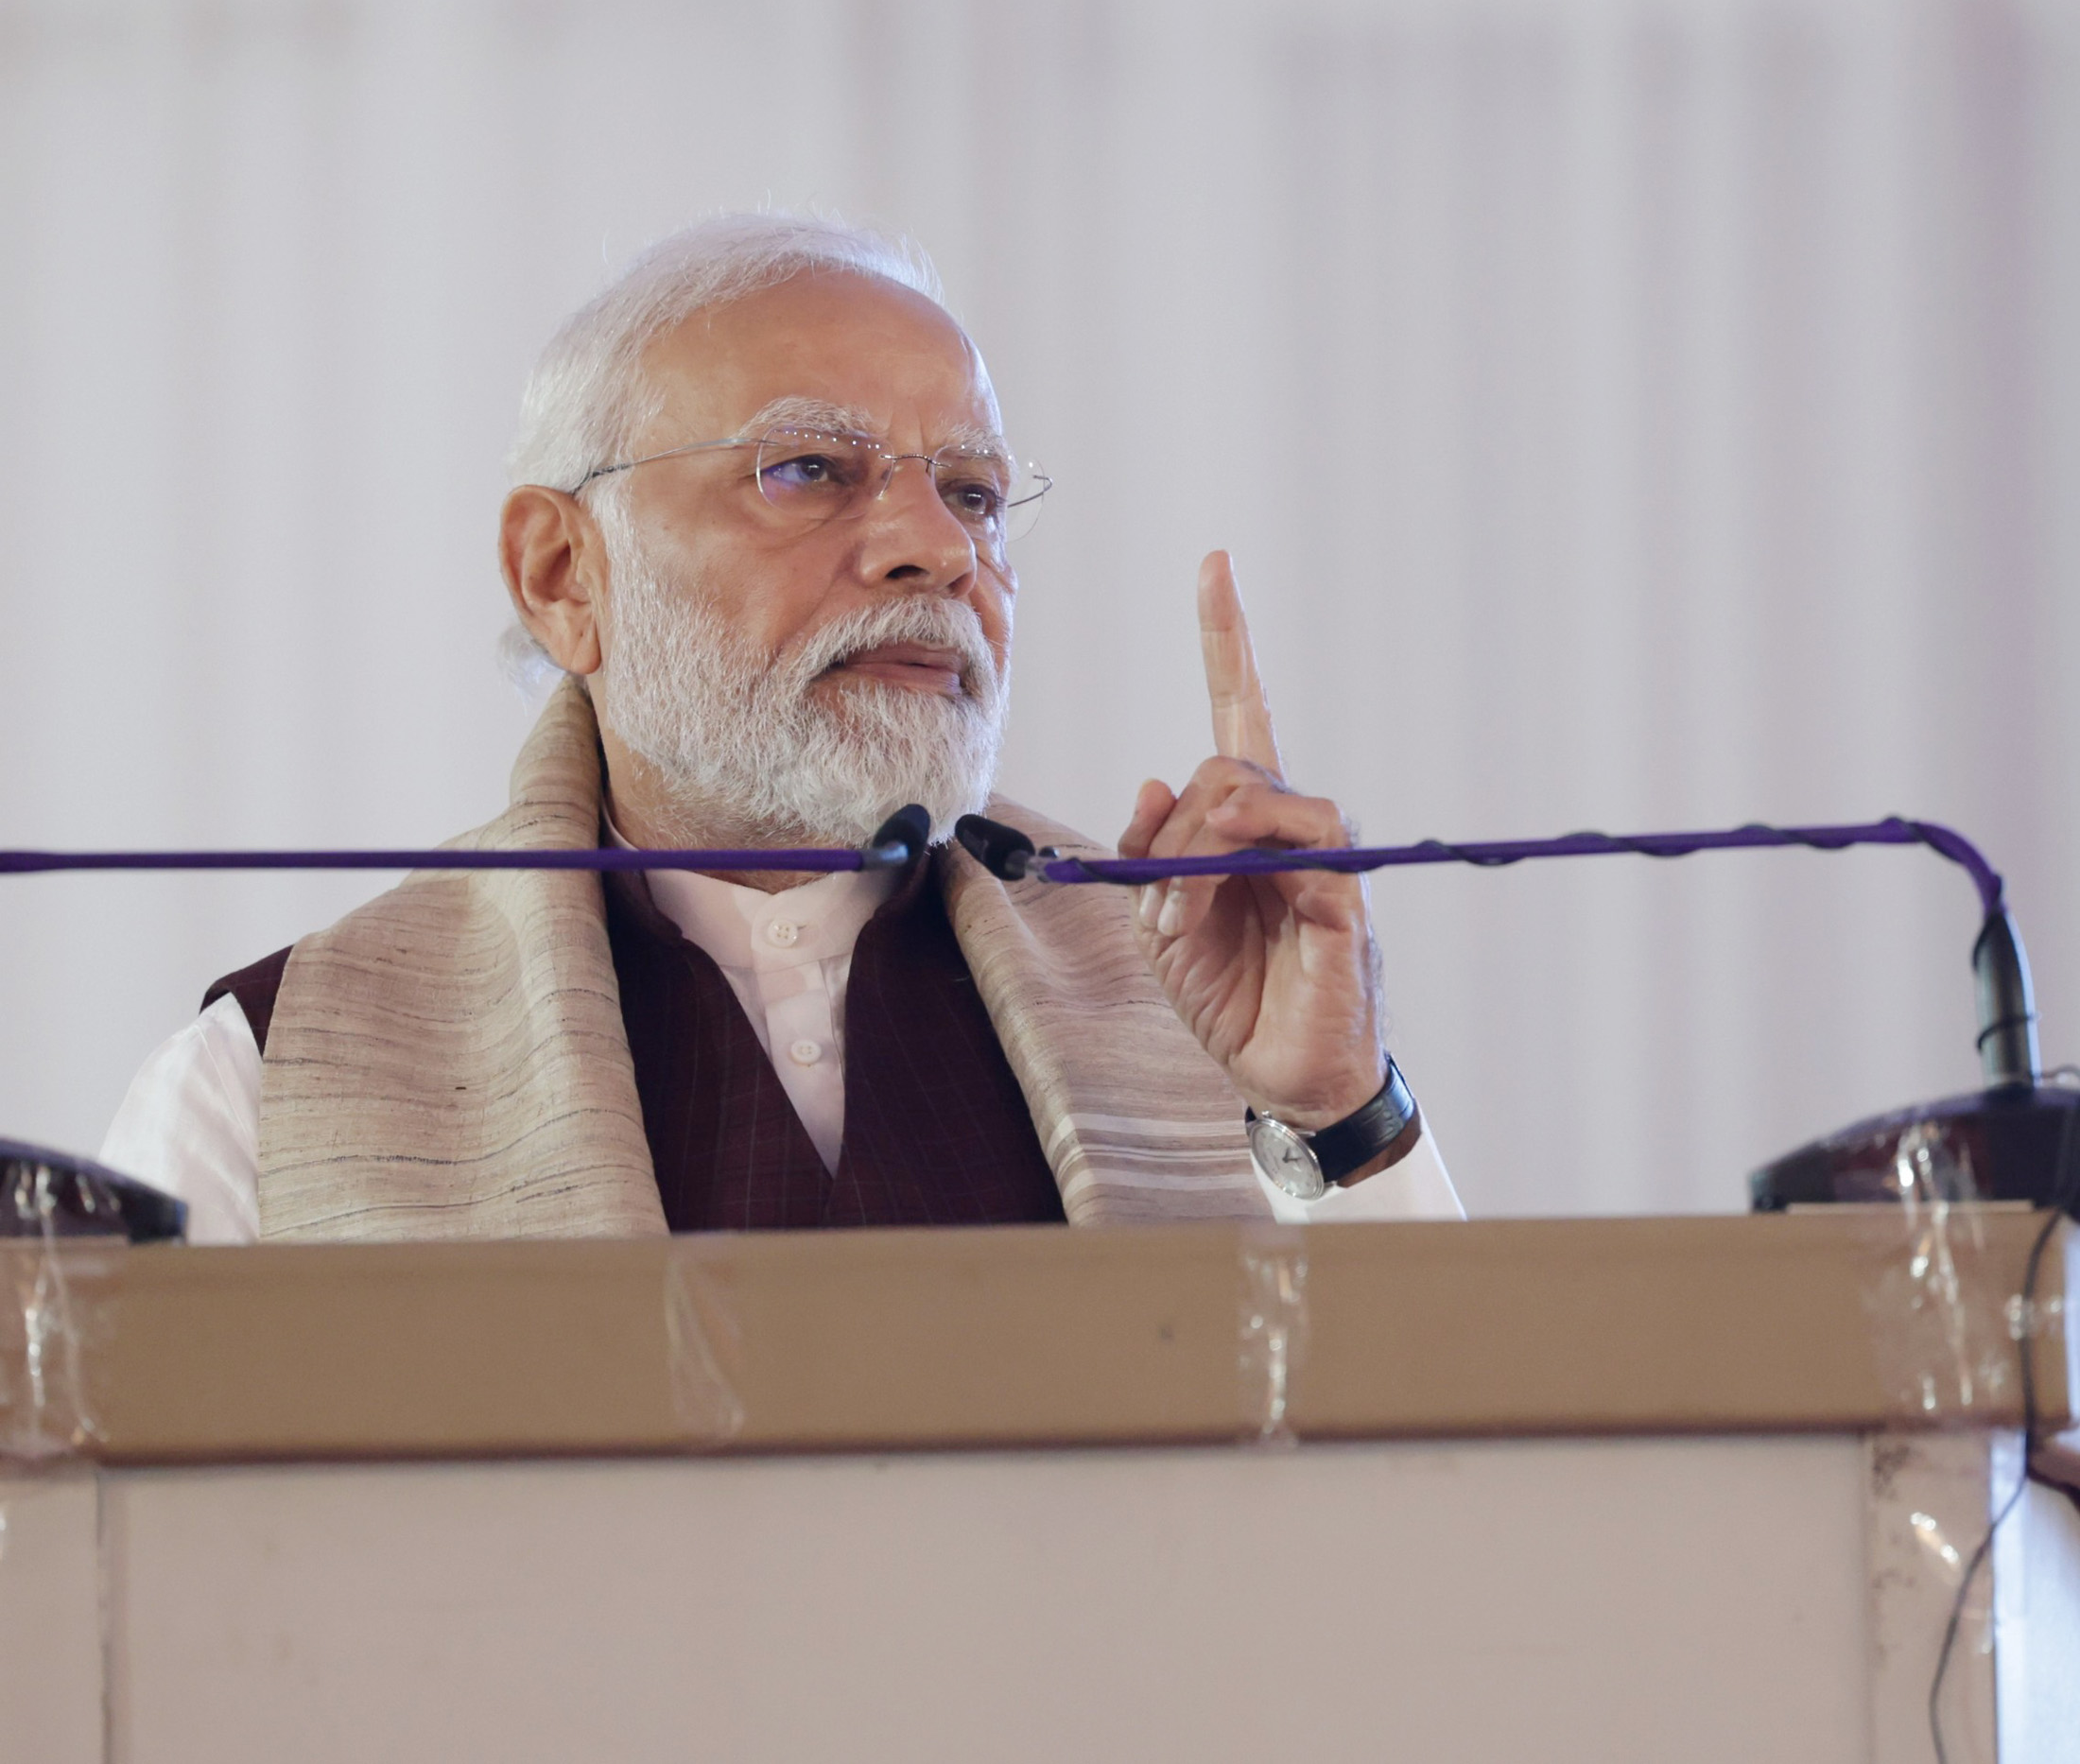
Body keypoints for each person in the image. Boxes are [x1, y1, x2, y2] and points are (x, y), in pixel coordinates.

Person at [103, 214, 1462, 1240]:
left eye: (976, 493)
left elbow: (1449, 1528)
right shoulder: (267, 1087)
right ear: (564, 575)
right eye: (809, 470)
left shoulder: (1193, 995)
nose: (937, 549)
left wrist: (1336, 1109)